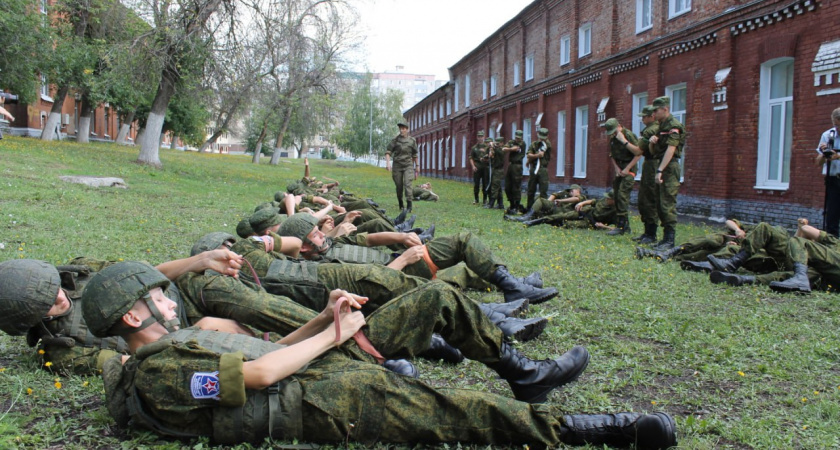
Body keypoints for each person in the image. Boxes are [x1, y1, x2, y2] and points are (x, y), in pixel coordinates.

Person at [81, 260, 677, 448]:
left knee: (435, 297)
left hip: (316, 365)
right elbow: (261, 375)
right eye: (156, 295)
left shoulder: (182, 344)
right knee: (452, 411)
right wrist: (334, 339)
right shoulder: (158, 376)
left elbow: (267, 350)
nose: (167, 298)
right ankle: (586, 431)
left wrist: (325, 318)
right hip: (320, 399)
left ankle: (522, 372)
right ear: (134, 315)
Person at [274, 213, 560, 304]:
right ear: (302, 249)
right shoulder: (322, 268)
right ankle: (514, 287)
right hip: (397, 279)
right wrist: (403, 260)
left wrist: (402, 237)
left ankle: (513, 285)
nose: (322, 234)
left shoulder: (332, 244)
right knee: (455, 270)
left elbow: (369, 239)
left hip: (404, 261)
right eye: (315, 234)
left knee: (463, 248)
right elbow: (368, 288)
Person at [648, 97, 686, 250]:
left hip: (669, 167)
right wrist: (651, 142)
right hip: (661, 164)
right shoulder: (660, 126)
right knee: (659, 202)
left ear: (665, 109)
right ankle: (664, 239)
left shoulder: (674, 125)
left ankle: (670, 240)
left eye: (656, 110)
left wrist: (660, 170)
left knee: (667, 204)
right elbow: (654, 152)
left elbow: (671, 149)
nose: (654, 114)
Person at [603, 118, 642, 236]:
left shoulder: (628, 135)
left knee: (622, 195)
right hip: (619, 170)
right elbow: (612, 155)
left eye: (614, 131)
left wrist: (627, 168)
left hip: (629, 170)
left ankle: (622, 226)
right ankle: (622, 225)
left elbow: (638, 153)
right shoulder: (613, 138)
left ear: (619, 126)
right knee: (616, 195)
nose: (613, 134)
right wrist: (616, 168)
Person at [815, 107, 840, 237]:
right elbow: (818, 162)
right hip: (833, 179)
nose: (837, 129)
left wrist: (838, 156)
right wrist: (824, 154)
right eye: (836, 125)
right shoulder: (827, 135)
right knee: (832, 215)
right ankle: (833, 247)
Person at [385, 120, 418, 212]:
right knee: (399, 186)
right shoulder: (395, 140)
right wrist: (388, 164)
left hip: (408, 165)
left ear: (407, 129)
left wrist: (417, 166)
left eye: (403, 128)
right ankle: (400, 203)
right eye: (400, 129)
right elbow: (388, 152)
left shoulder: (412, 141)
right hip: (397, 166)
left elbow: (415, 154)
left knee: (408, 184)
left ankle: (409, 206)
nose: (401, 130)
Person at [525, 128, 552, 211]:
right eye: (541, 137)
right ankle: (529, 208)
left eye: (544, 137)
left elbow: (541, 152)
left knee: (543, 191)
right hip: (533, 169)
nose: (542, 139)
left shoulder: (547, 144)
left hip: (543, 169)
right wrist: (536, 156)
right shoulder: (534, 144)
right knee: (531, 190)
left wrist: (531, 157)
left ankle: (542, 209)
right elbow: (529, 155)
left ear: (547, 136)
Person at [503, 130, 527, 214]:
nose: (517, 139)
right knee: (507, 186)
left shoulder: (522, 144)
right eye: (516, 138)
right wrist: (510, 148)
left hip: (517, 166)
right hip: (511, 165)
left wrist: (510, 148)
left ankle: (516, 206)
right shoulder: (512, 142)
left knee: (516, 187)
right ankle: (511, 204)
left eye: (519, 138)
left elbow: (515, 149)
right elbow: (504, 149)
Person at [470, 131, 490, 205]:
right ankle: (476, 199)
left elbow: (490, 156)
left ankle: (485, 199)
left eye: (481, 136)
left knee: (485, 184)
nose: (480, 138)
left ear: (483, 137)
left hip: (485, 167)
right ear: (477, 137)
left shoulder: (487, 147)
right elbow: (471, 158)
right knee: (476, 184)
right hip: (477, 167)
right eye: (479, 136)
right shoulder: (474, 148)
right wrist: (473, 166)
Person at [487, 136, 506, 210]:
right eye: (496, 143)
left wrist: (494, 146)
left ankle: (491, 204)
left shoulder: (502, 149)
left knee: (494, 186)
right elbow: (491, 155)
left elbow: (499, 152)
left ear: (502, 143)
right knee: (498, 187)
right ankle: (500, 204)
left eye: (498, 143)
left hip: (499, 170)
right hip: (495, 169)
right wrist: (491, 149)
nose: (497, 145)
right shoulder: (497, 149)